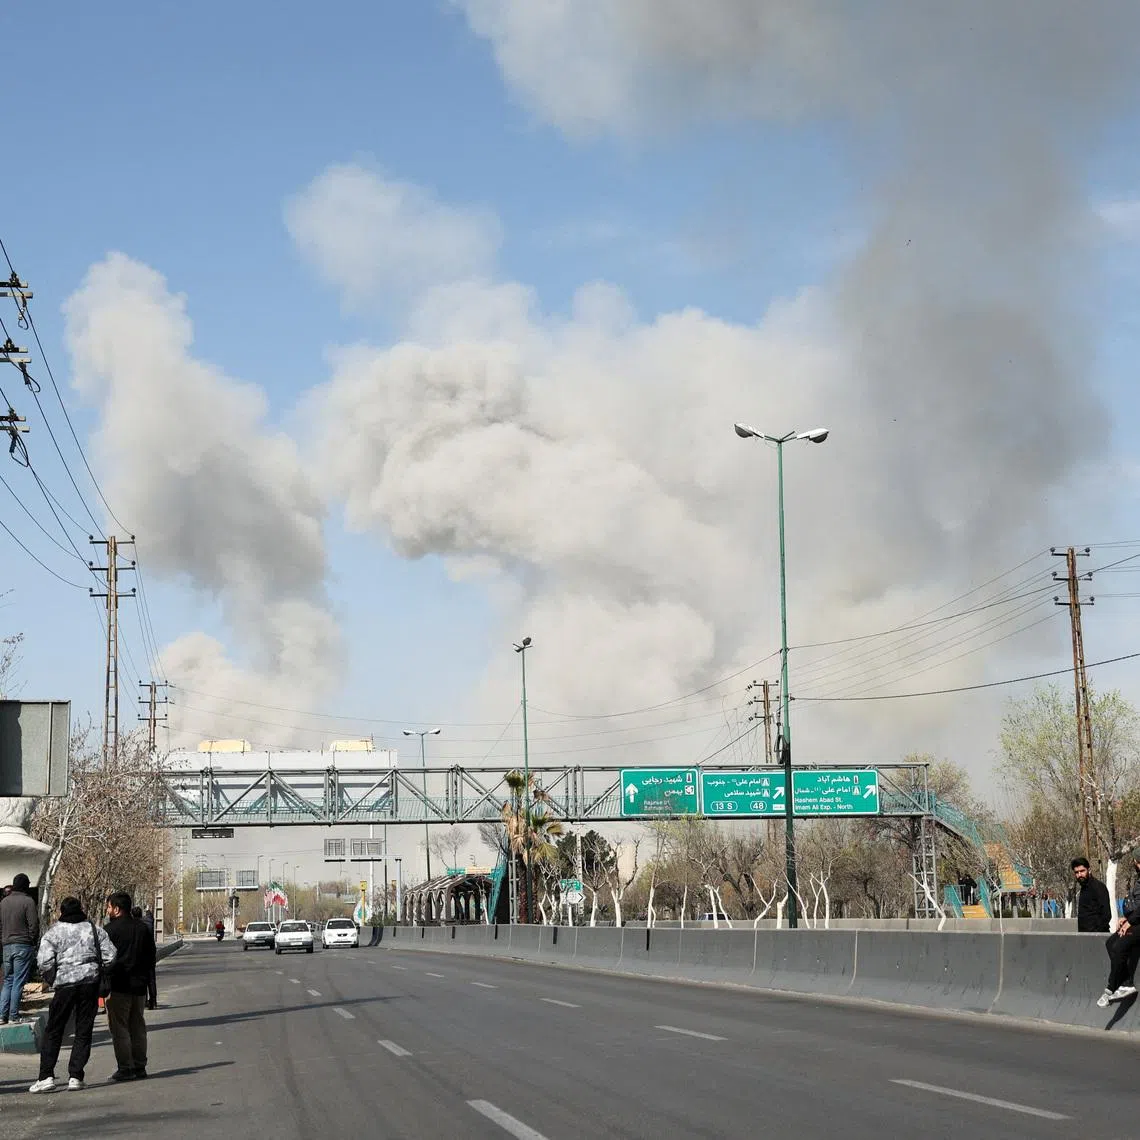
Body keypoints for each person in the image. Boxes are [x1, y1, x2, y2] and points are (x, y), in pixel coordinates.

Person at [28, 897, 117, 1093]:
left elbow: (44, 961)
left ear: (61, 911)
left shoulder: (54, 932)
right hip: (89, 984)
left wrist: (54, 978)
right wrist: (96, 968)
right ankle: (76, 1076)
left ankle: (46, 1077)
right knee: (83, 1029)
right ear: (81, 909)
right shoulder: (94, 930)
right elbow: (110, 955)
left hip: (65, 985)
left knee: (54, 1030)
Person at [104, 892, 156, 1080]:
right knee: (138, 1026)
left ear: (117, 909)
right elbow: (151, 955)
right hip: (140, 986)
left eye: (109, 907)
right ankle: (140, 1066)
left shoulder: (109, 930)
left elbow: (105, 960)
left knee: (120, 1028)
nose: (107, 910)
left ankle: (125, 1068)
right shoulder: (142, 928)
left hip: (119, 986)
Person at [1099, 849, 1140, 1007]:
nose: (1136, 865)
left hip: (1137, 924)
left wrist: (1130, 922)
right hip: (1135, 921)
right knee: (1111, 943)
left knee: (1119, 946)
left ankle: (1110, 988)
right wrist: (1126, 918)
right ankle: (1126, 982)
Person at [0, 873, 40, 1024]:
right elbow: (34, 925)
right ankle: (13, 1016)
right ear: (25, 885)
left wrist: (3, 940)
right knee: (18, 981)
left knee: (8, 980)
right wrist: (31, 941)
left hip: (6, 946)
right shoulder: (28, 901)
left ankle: (2, 1016)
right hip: (23, 945)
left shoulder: (3, 902)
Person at [1073, 857, 1112, 932]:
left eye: (1082, 871)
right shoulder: (1083, 888)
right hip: (1085, 937)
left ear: (1089, 870)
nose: (1079, 874)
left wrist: (1095, 933)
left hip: (1097, 937)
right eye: (1077, 872)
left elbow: (1106, 915)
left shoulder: (1098, 887)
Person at [140, 908, 157, 1010]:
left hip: (142, 958)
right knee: (151, 980)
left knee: (143, 980)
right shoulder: (150, 925)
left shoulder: (139, 927)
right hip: (151, 957)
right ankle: (153, 1001)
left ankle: (145, 1000)